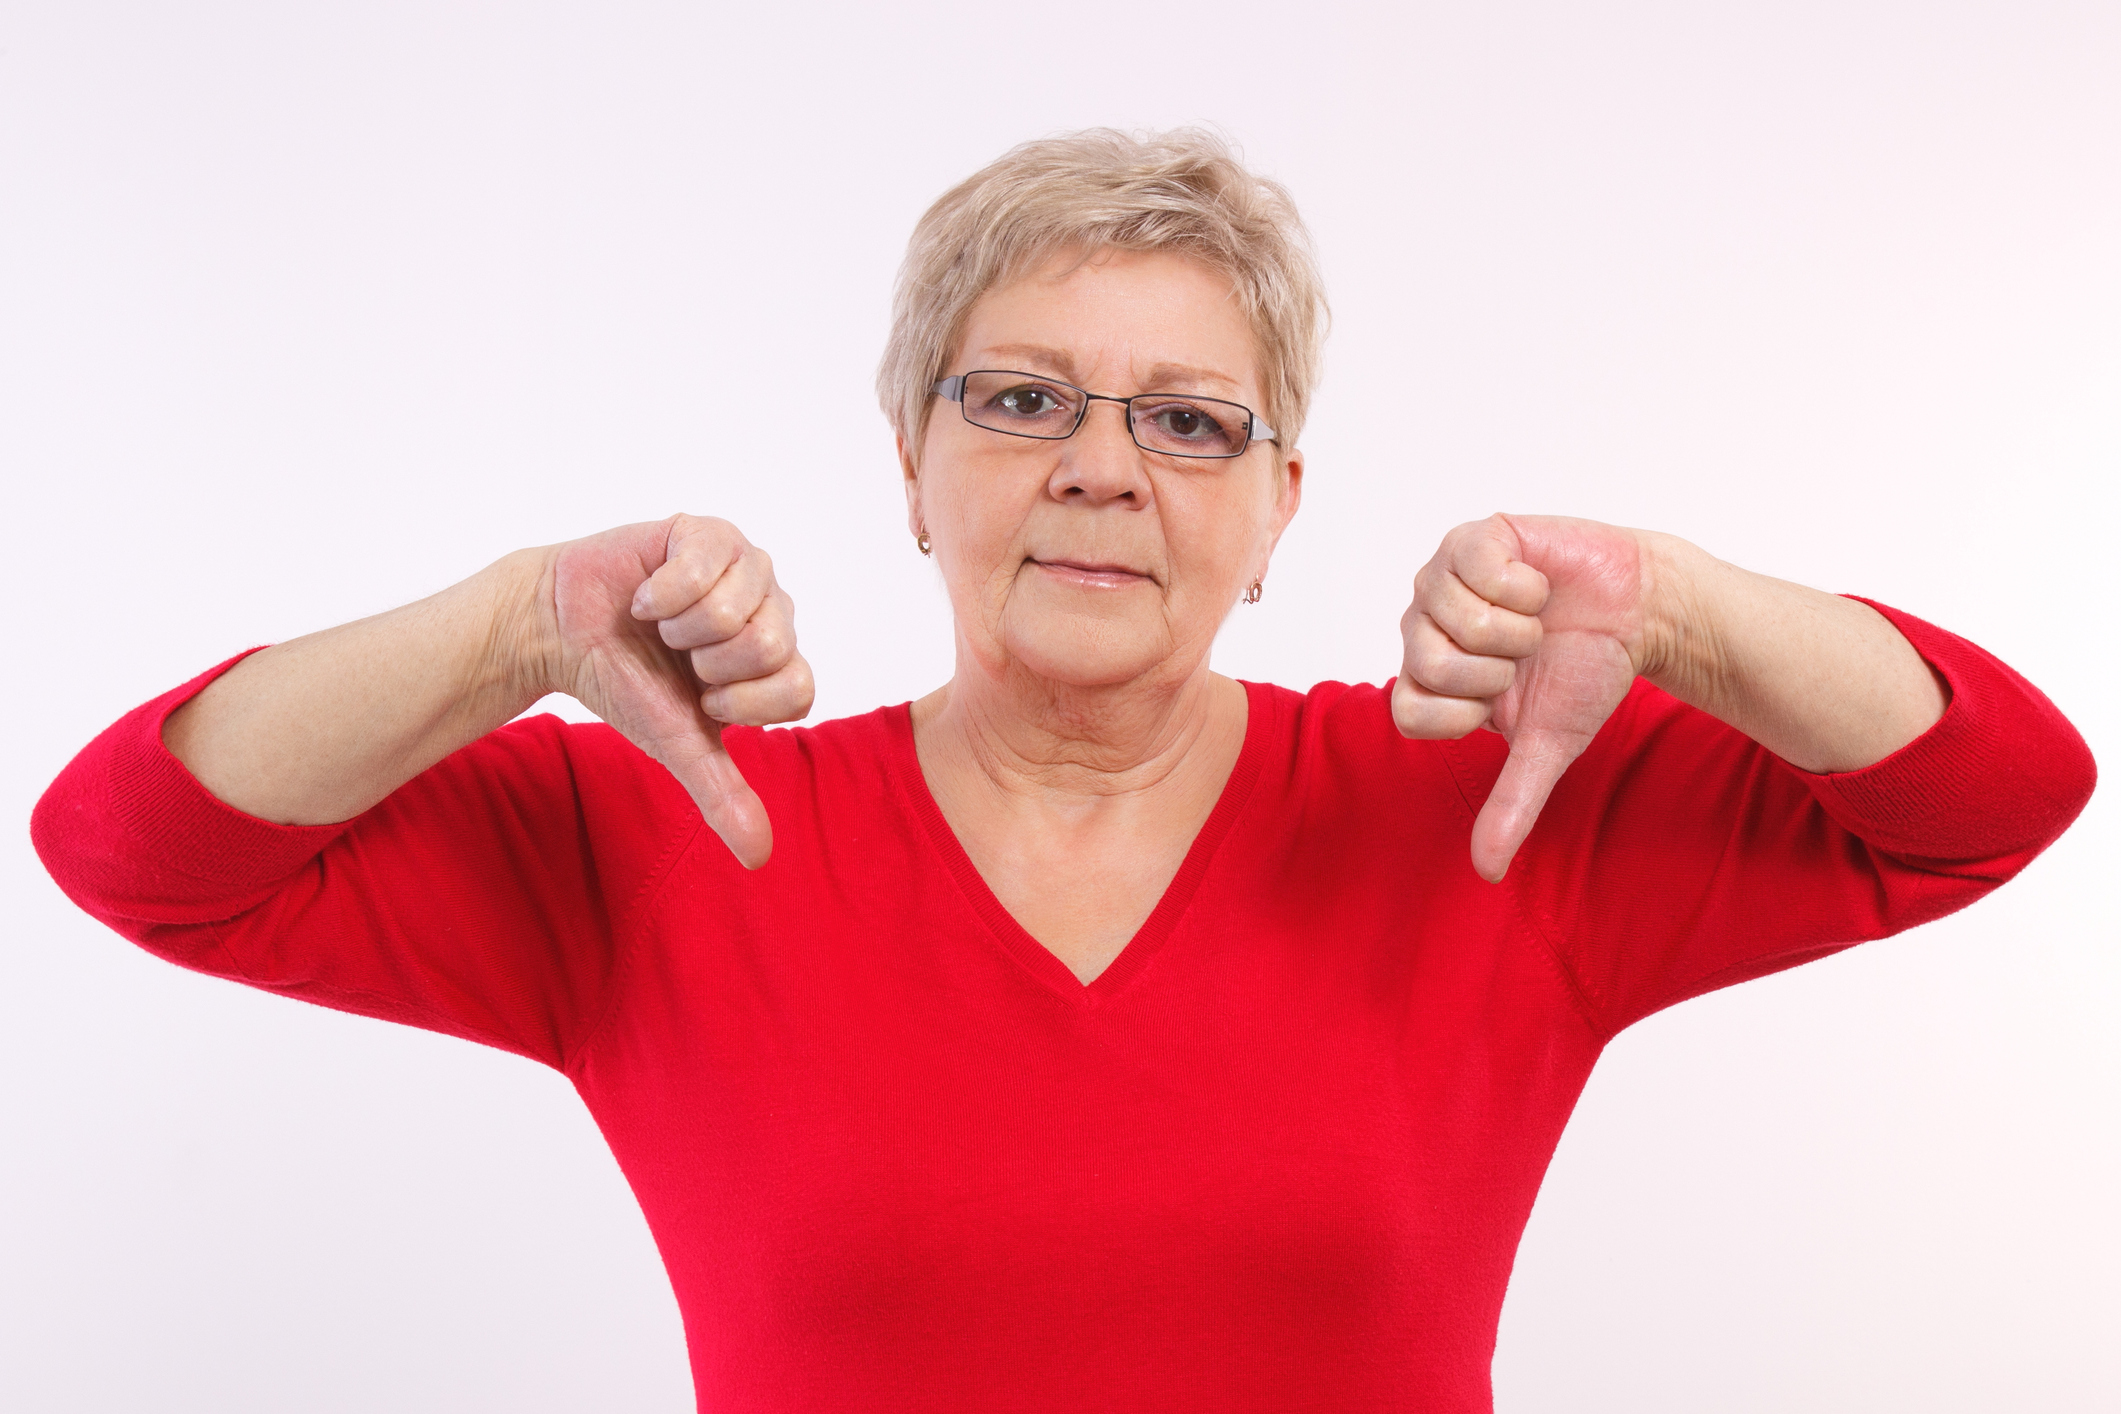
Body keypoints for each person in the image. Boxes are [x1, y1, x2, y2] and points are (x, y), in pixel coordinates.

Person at [31, 128, 2095, 1412]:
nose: (1100, 463)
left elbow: (1993, 788)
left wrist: (1673, 606)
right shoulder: (673, 830)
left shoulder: (1482, 806)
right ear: (910, 472)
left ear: (1280, 504)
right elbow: (138, 844)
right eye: (1019, 397)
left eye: (1187, 422)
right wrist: (521, 630)